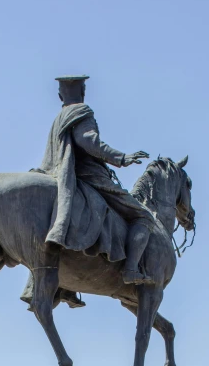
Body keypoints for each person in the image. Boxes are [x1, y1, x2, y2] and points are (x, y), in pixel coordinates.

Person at [36, 75, 155, 285]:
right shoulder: (83, 111)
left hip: (61, 174)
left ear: (59, 96)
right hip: (91, 176)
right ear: (83, 91)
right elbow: (88, 141)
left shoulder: (59, 118)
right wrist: (121, 157)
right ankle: (130, 270)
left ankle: (65, 288)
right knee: (143, 216)